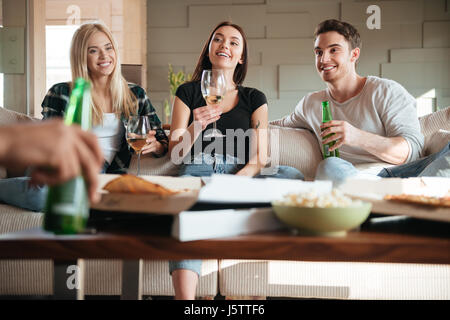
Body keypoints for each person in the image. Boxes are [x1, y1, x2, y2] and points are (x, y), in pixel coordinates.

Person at [168, 21, 303, 300]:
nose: (224, 46)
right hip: (199, 167)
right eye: (218, 39)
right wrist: (196, 126)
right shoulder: (188, 92)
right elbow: (175, 152)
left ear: (240, 56)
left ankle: (222, 203)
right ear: (209, 49)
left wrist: (233, 184)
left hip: (239, 172)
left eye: (233, 42)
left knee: (292, 177)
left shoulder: (255, 98)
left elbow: (258, 159)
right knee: (186, 213)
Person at [0, 22, 168, 211]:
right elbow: (50, 145)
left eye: (108, 47)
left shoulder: (135, 94)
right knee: (44, 196)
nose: (104, 56)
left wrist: (157, 145)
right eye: (93, 51)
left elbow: (161, 138)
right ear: (81, 57)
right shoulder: (61, 92)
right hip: (63, 166)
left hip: (103, 171)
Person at [271, 19, 449, 184]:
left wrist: (357, 137)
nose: (323, 59)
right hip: (349, 176)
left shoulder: (386, 91)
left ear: (354, 54)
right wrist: (246, 115)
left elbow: (411, 151)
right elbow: (277, 124)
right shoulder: (311, 104)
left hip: (402, 174)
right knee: (306, 169)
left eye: (333, 50)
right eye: (319, 52)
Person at [0, 120, 103, 203]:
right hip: (53, 164)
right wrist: (10, 141)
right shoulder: (67, 94)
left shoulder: (119, 109)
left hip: (93, 178)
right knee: (42, 194)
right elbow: (50, 133)